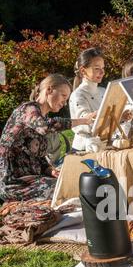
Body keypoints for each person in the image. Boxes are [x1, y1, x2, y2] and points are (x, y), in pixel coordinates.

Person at [0, 74, 94, 202]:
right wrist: (83, 120)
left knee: (78, 181)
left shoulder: (38, 118)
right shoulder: (28, 110)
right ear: (49, 90)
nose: (64, 103)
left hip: (32, 179)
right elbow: (45, 126)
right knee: (67, 188)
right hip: (13, 183)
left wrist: (49, 170)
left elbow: (35, 156)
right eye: (63, 96)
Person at [69, 47, 106, 152]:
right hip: (84, 149)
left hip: (103, 144)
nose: (102, 72)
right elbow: (85, 121)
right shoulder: (78, 95)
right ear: (83, 70)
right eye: (97, 68)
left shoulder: (103, 91)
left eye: (103, 68)